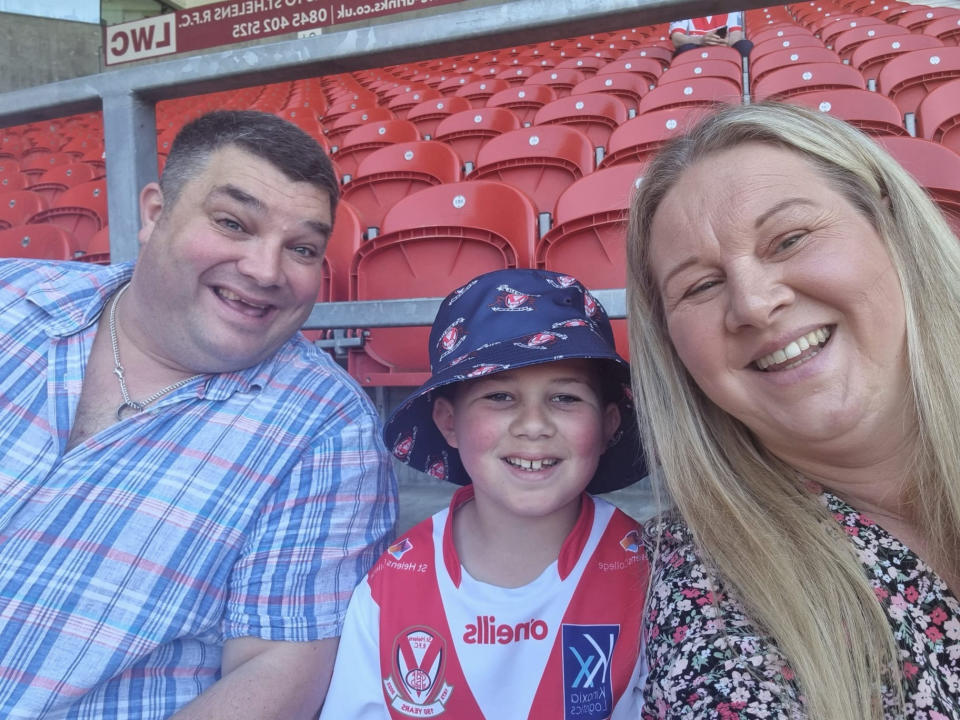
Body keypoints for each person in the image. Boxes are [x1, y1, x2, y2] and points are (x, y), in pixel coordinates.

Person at [0, 110, 397, 719]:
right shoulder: (13, 301)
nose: (266, 271)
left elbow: (279, 674)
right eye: (233, 223)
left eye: (302, 249)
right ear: (155, 212)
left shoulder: (325, 427)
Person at [624, 101, 960, 719]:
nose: (752, 304)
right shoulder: (710, 597)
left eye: (790, 239)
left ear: (890, 227)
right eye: (699, 286)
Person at [320, 268, 649, 719]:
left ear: (609, 423)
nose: (533, 425)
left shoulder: (651, 573)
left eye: (565, 398)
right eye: (499, 397)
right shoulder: (390, 586)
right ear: (448, 423)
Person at [669, 12, 753, 58]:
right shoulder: (681, 5)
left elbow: (735, 36)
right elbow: (676, 39)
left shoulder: (730, 4)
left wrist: (726, 42)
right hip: (696, 53)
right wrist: (701, 40)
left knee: (744, 46)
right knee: (685, 49)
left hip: (724, 51)